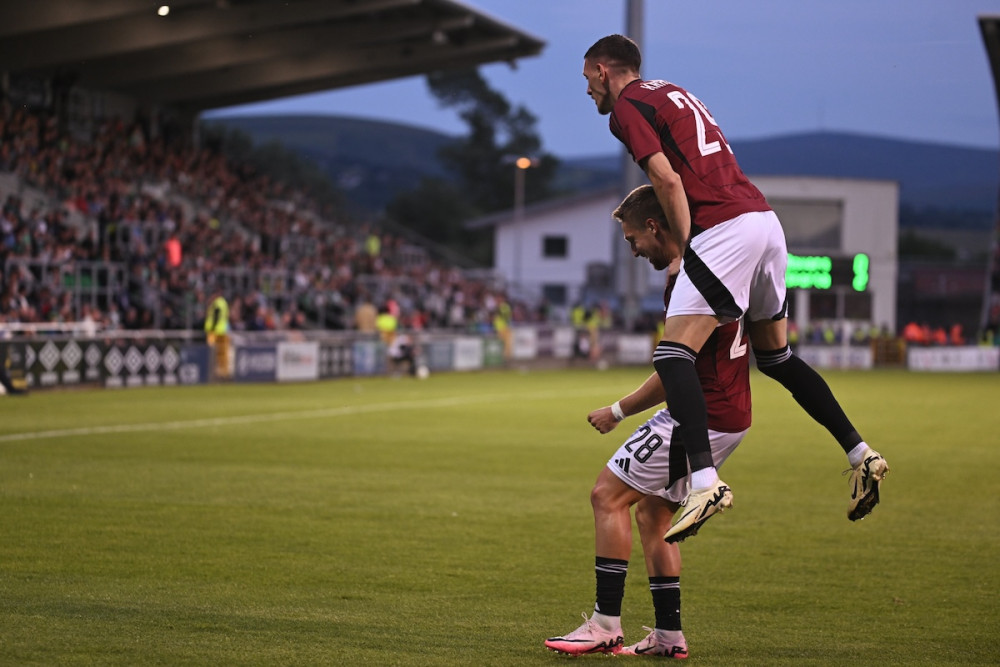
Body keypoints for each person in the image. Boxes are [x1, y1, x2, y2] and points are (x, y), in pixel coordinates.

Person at [582, 35, 888, 540]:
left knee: (673, 355)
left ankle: (704, 481)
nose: (588, 92)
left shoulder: (628, 106)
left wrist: (688, 248)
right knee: (777, 358)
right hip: (765, 220)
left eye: (587, 80)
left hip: (723, 228)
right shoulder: (674, 92)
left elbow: (667, 179)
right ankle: (860, 451)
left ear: (601, 70)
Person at [545, 185, 749, 657]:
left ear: (655, 227)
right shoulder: (715, 266)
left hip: (700, 413)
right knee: (653, 514)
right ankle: (668, 636)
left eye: (633, 238)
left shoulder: (688, 281)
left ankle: (604, 624)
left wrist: (617, 411)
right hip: (729, 413)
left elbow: (673, 367)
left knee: (606, 495)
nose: (633, 250)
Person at [204, 288, 230, 380]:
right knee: (223, 355)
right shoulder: (224, 303)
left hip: (215, 333)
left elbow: (215, 316)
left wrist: (212, 328)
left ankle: (212, 374)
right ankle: (223, 374)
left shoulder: (216, 303)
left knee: (212, 354)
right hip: (224, 331)